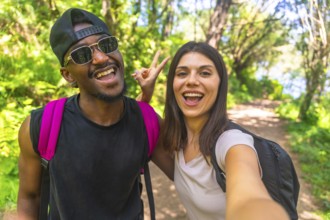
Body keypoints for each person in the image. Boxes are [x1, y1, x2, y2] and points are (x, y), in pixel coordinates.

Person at [17, 8, 173, 219]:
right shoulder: (41, 126)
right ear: (68, 75)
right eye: (82, 55)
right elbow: (29, 199)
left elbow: (192, 177)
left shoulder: (146, 121)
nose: (100, 58)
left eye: (106, 45)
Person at [151, 41, 289, 220]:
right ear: (172, 84)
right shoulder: (175, 137)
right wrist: (146, 93)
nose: (191, 81)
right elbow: (140, 120)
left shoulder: (231, 143)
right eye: (182, 73)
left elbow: (250, 197)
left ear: (220, 84)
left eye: (205, 73)